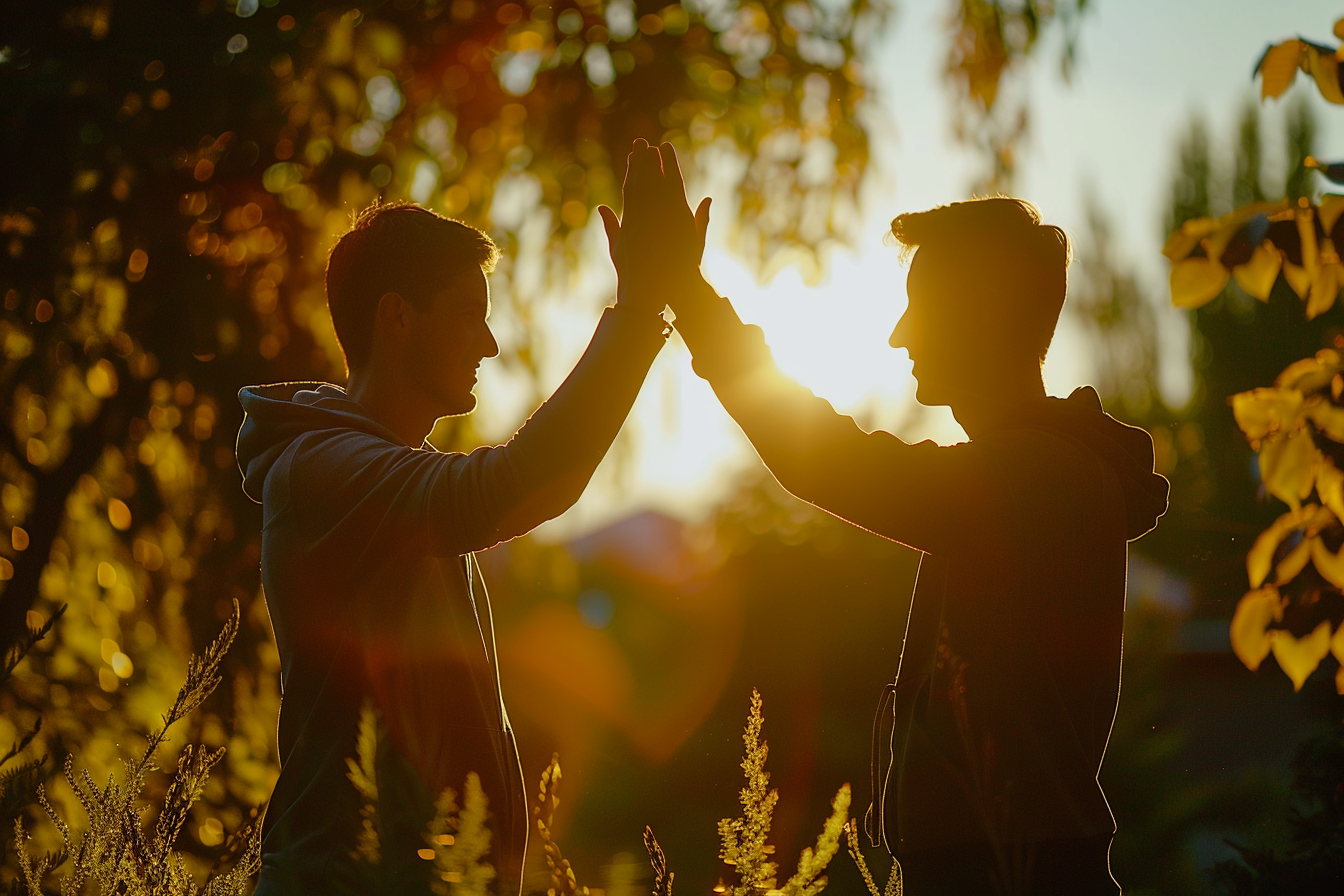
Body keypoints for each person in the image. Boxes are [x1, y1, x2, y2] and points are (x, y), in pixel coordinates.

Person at [607, 141, 1169, 895]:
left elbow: (827, 460)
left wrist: (689, 292)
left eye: (920, 307)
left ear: (981, 316)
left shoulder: (1033, 478)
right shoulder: (1029, 471)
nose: (900, 334)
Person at [236, 167, 675, 895]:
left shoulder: (389, 475)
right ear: (397, 318)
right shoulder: (323, 468)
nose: (491, 343)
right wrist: (634, 314)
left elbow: (532, 488)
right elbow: (508, 487)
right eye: (469, 312)